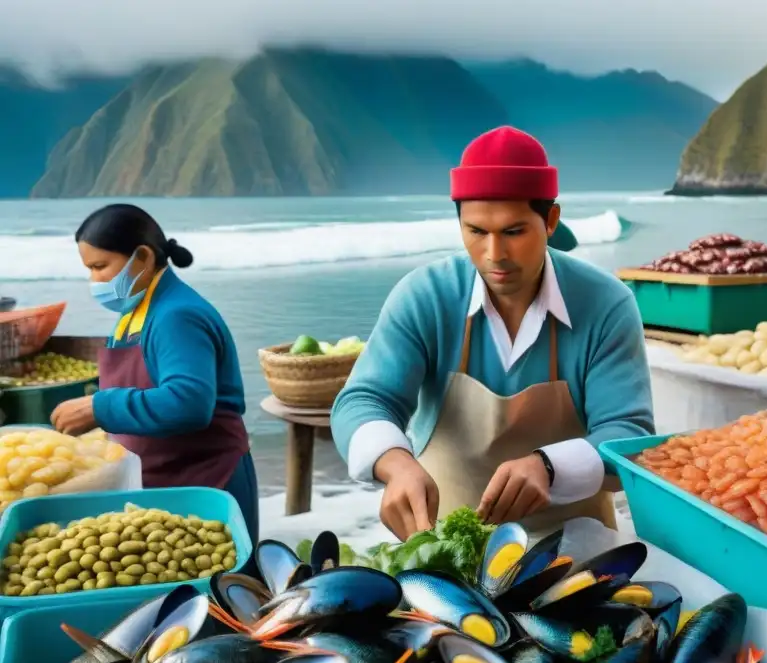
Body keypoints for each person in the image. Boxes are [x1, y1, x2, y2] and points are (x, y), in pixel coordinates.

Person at [332, 126, 654, 541]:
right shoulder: (423, 296)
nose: (494, 255)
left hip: (579, 545)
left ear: (551, 220)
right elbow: (364, 400)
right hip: (446, 542)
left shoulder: (606, 304)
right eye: (476, 231)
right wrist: (395, 463)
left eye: (514, 232)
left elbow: (629, 435)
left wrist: (548, 465)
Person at [50, 204, 258, 541]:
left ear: (143, 257)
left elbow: (188, 403)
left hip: (205, 479)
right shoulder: (138, 309)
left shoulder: (177, 316)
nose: (94, 280)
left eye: (101, 267)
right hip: (165, 478)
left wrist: (98, 408)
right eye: (88, 269)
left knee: (217, 589)